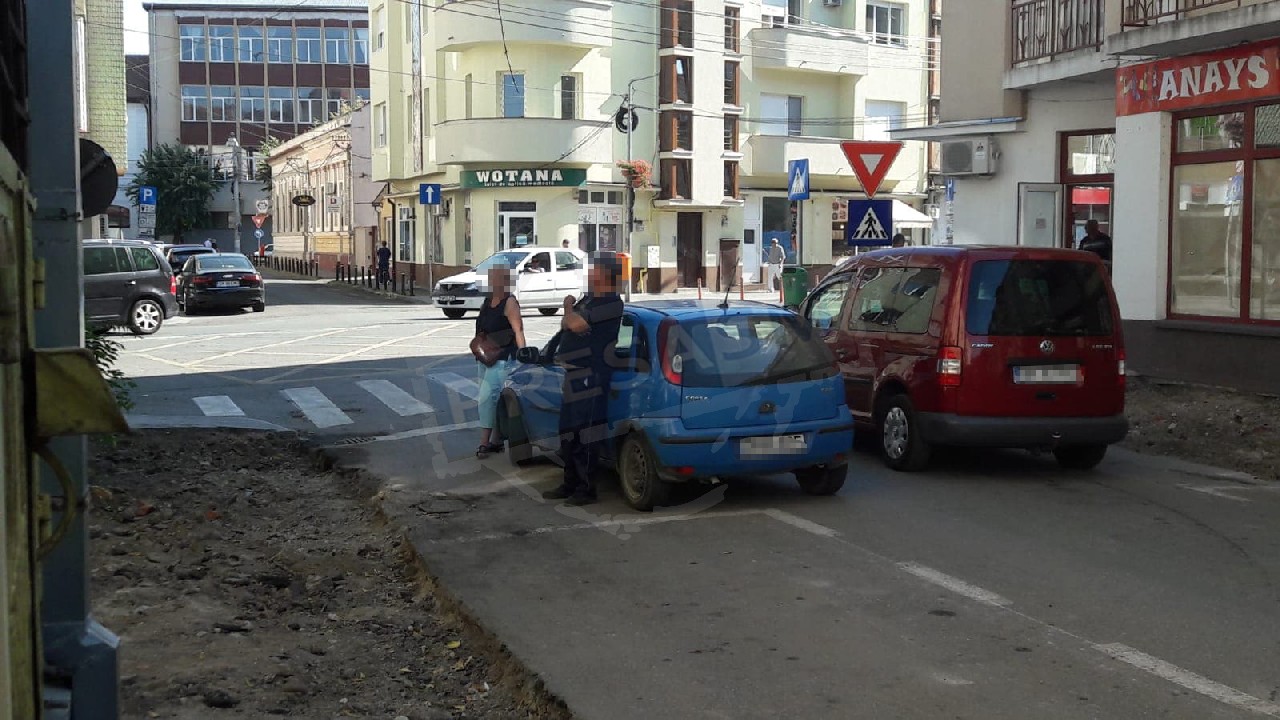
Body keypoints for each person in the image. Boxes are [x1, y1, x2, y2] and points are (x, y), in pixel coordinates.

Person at [542, 253, 624, 506]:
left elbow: (575, 323)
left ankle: (586, 489)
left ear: (605, 274)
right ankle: (569, 483)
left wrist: (567, 306)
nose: (589, 273)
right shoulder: (589, 299)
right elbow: (567, 324)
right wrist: (569, 313)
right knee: (568, 431)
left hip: (592, 374)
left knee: (585, 433)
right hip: (574, 373)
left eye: (593, 270)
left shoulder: (611, 303)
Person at [474, 260, 527, 458]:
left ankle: (484, 442)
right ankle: (496, 441)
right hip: (485, 357)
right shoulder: (488, 301)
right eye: (491, 276)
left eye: (496, 276)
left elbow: (518, 330)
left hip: (503, 358)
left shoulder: (509, 302)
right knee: (493, 400)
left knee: (487, 399)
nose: (492, 280)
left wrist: (523, 356)